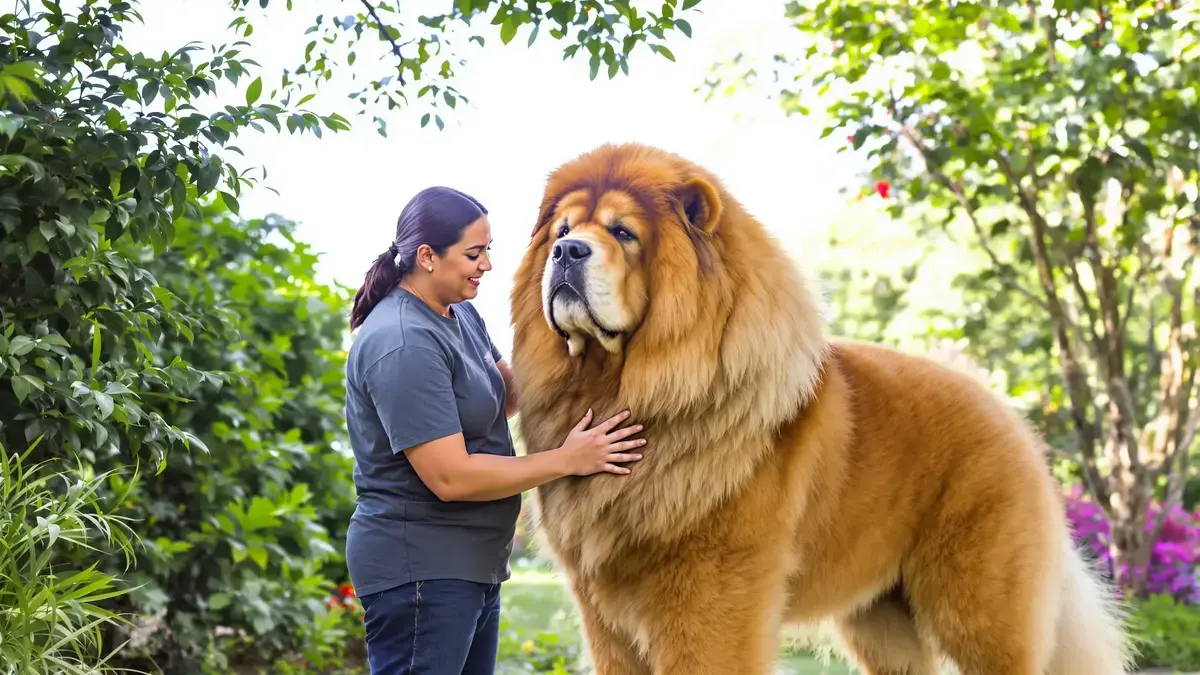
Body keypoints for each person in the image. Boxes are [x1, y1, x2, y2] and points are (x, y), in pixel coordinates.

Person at [342, 186, 646, 675]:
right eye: (473, 254)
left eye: (488, 251)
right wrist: (568, 459)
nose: (486, 265)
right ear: (426, 257)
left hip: (469, 564)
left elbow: (509, 394)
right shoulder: (403, 341)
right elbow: (450, 477)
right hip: (422, 570)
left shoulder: (459, 313)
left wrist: (590, 337)